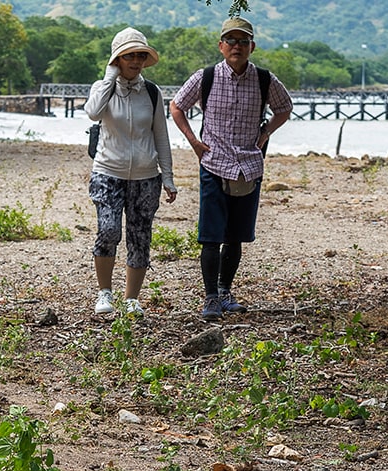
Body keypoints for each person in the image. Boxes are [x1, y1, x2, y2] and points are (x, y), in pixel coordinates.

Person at [169, 17, 292, 321]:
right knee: (210, 236)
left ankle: (225, 290)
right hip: (213, 163)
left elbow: (285, 108)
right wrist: (194, 142)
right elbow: (176, 106)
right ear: (221, 45)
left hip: (249, 167)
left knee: (236, 236)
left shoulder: (265, 80)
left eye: (243, 41)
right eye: (231, 41)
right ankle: (210, 297)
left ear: (252, 46)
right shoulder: (206, 77)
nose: (237, 46)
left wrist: (265, 134)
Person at [84, 27, 177, 317]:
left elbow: (160, 135)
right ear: (116, 59)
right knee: (108, 230)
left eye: (140, 56)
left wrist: (168, 176)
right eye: (128, 56)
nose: (135, 62)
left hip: (145, 176)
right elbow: (94, 112)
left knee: (140, 236)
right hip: (107, 172)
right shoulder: (103, 88)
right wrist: (110, 77)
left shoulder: (151, 92)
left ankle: (132, 298)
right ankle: (104, 293)